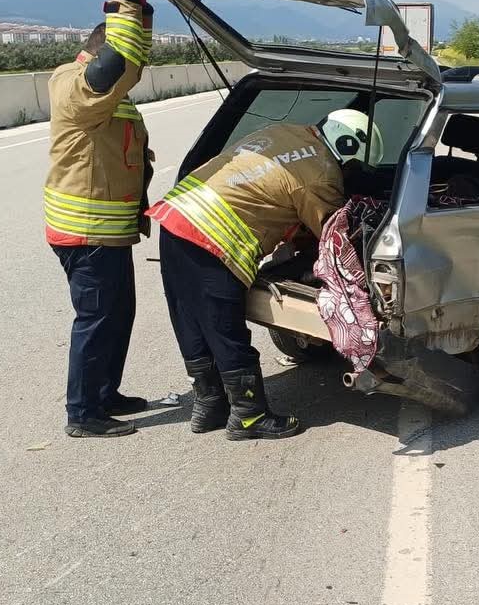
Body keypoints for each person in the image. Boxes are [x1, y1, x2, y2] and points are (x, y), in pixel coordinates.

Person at [148, 110, 374, 440]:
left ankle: (209, 405)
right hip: (211, 237)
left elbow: (275, 189)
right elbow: (331, 238)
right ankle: (249, 416)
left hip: (176, 217)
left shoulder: (288, 130)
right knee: (224, 326)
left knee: (191, 319)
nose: (348, 172)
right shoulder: (321, 174)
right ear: (348, 145)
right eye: (352, 165)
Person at [45, 0, 155, 438]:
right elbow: (120, 62)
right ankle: (83, 412)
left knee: (118, 314)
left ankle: (106, 392)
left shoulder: (110, 99)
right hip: (84, 234)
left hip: (107, 234)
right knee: (96, 318)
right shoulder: (76, 87)